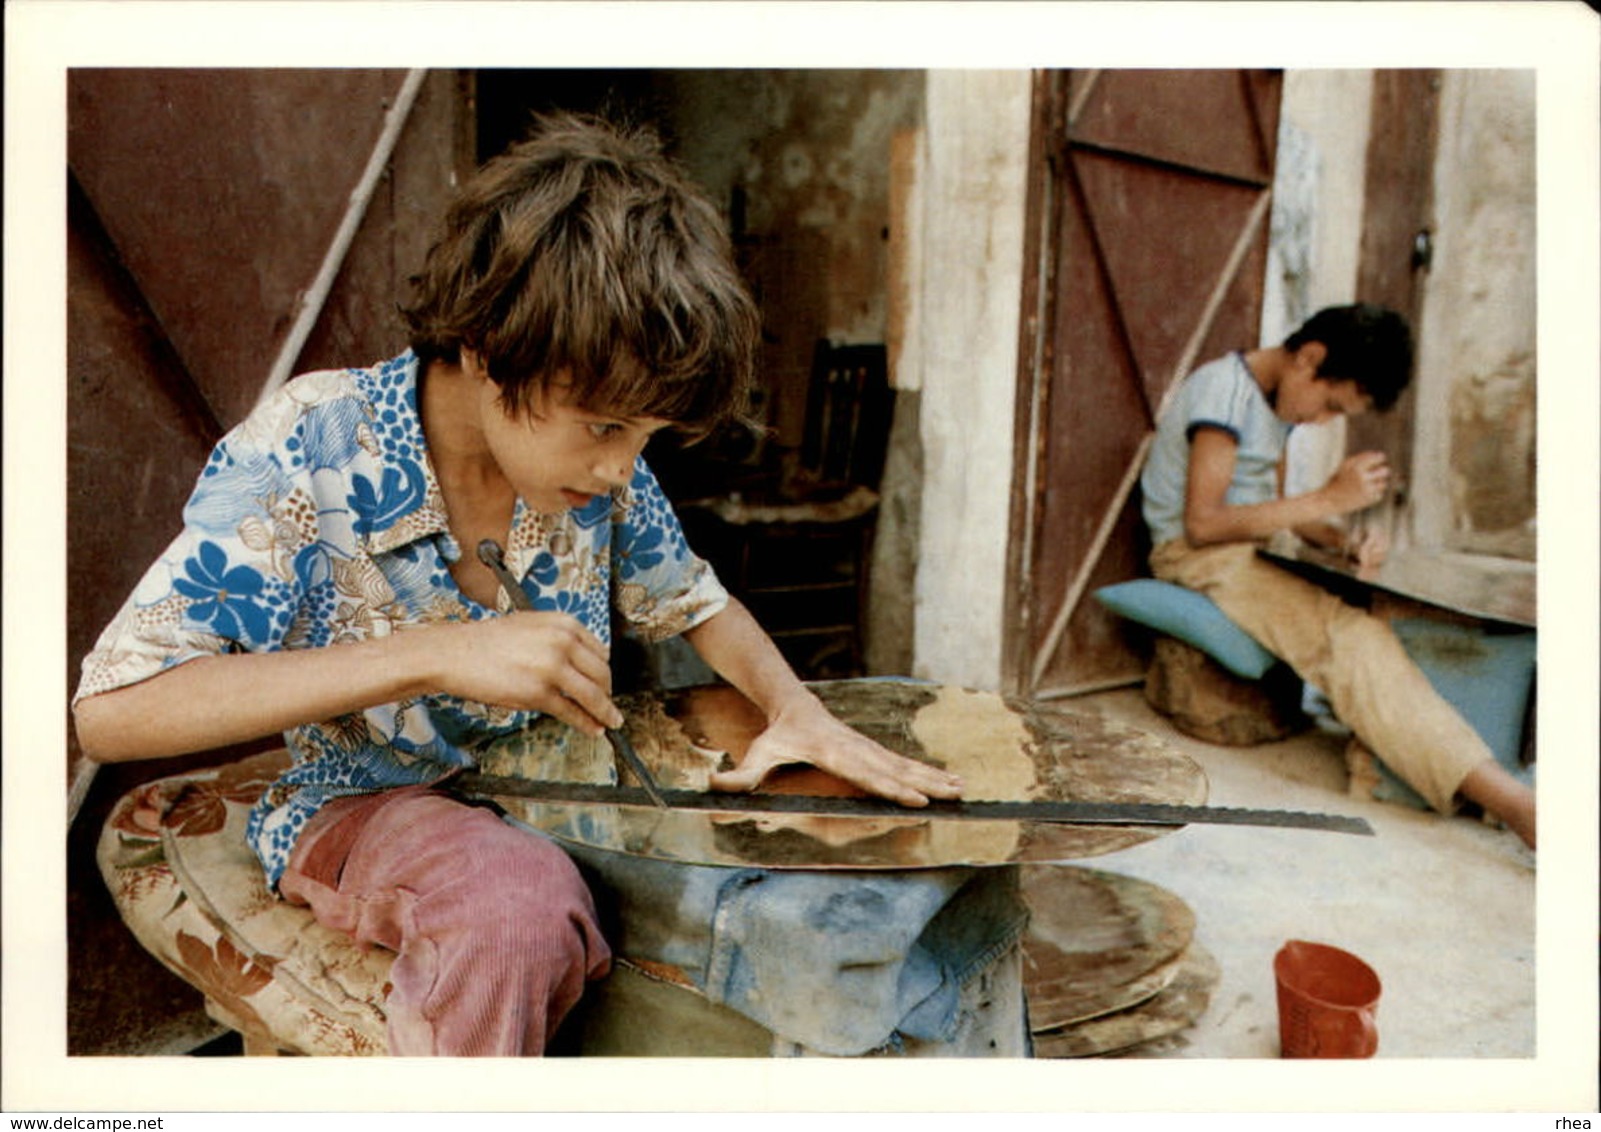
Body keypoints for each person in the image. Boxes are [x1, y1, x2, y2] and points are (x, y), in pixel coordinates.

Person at [72, 112, 963, 1056]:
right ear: (492, 351)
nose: (623, 469)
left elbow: (695, 600)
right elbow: (115, 711)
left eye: (645, 438)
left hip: (556, 790)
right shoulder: (309, 449)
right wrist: (440, 655)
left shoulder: (591, 468)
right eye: (607, 428)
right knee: (515, 915)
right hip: (364, 803)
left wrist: (796, 709)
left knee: (836, 888)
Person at [1137, 303, 1535, 849]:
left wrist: (1342, 537)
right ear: (1309, 358)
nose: (1322, 420)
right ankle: (1512, 804)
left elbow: (1275, 509)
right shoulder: (1222, 392)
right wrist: (1327, 497)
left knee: (1385, 601)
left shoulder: (1270, 401)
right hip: (1195, 555)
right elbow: (1203, 524)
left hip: (1247, 550)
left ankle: (1441, 765)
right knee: (1347, 638)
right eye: (1329, 404)